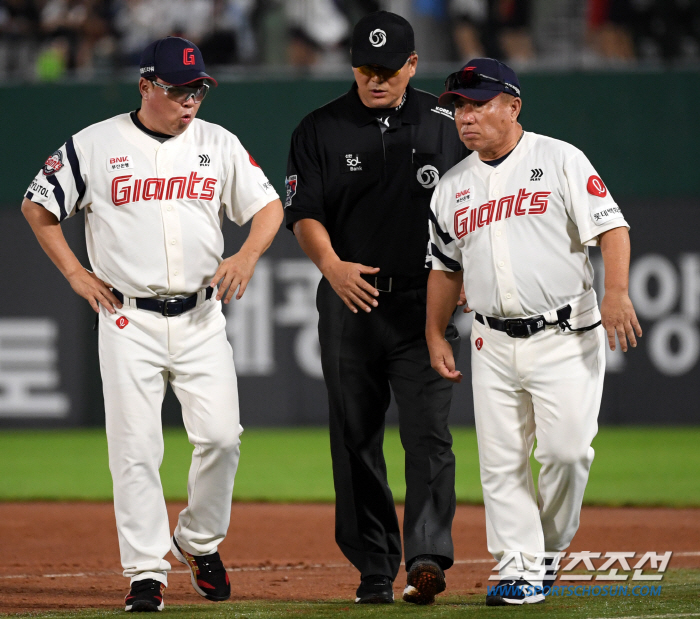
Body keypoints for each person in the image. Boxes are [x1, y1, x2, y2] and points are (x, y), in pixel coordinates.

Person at [21, 36, 283, 612]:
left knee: (221, 437)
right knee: (135, 450)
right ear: (146, 87)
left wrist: (245, 257)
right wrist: (73, 272)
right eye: (178, 89)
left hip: (201, 314)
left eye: (198, 89)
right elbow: (37, 206)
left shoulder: (218, 143)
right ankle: (145, 572)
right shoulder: (95, 144)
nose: (191, 99)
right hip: (126, 317)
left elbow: (268, 207)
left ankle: (197, 540)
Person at [425, 58, 642, 605]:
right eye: (459, 108)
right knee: (500, 464)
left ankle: (546, 550)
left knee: (567, 454)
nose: (466, 118)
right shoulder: (452, 187)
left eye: (478, 104)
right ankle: (518, 567)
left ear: (513, 106)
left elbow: (612, 227)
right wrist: (434, 332)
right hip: (491, 340)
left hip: (565, 334)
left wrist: (615, 292)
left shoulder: (559, 158)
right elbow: (445, 268)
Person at [285, 11, 468, 606]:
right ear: (353, 67)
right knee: (353, 436)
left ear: (413, 65)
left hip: (427, 305)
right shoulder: (320, 128)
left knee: (428, 435)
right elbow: (304, 213)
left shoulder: (447, 125)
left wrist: (470, 272)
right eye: (366, 68)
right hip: (350, 300)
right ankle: (372, 566)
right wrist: (332, 267)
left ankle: (425, 558)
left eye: (389, 69)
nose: (377, 79)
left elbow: (483, 200)